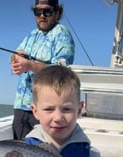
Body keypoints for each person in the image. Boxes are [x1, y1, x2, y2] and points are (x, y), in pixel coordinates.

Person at [11, 0, 75, 140]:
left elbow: (62, 71)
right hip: (22, 107)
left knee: (43, 153)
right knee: (21, 154)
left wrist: (30, 66)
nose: (42, 15)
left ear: (57, 13)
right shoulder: (31, 35)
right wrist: (15, 58)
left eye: (47, 11)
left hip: (45, 110)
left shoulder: (61, 33)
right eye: (38, 11)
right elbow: (14, 58)